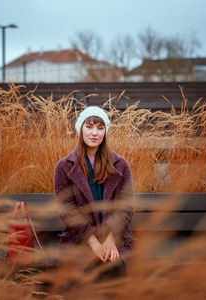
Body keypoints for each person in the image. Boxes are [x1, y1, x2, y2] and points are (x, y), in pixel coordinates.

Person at [53, 106, 135, 283]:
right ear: (80, 129)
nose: (94, 133)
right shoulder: (64, 167)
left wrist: (110, 239)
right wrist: (93, 243)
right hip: (79, 239)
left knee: (115, 266)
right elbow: (67, 210)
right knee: (83, 269)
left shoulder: (121, 165)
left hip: (116, 239)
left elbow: (126, 207)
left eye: (100, 127)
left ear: (105, 131)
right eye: (89, 126)